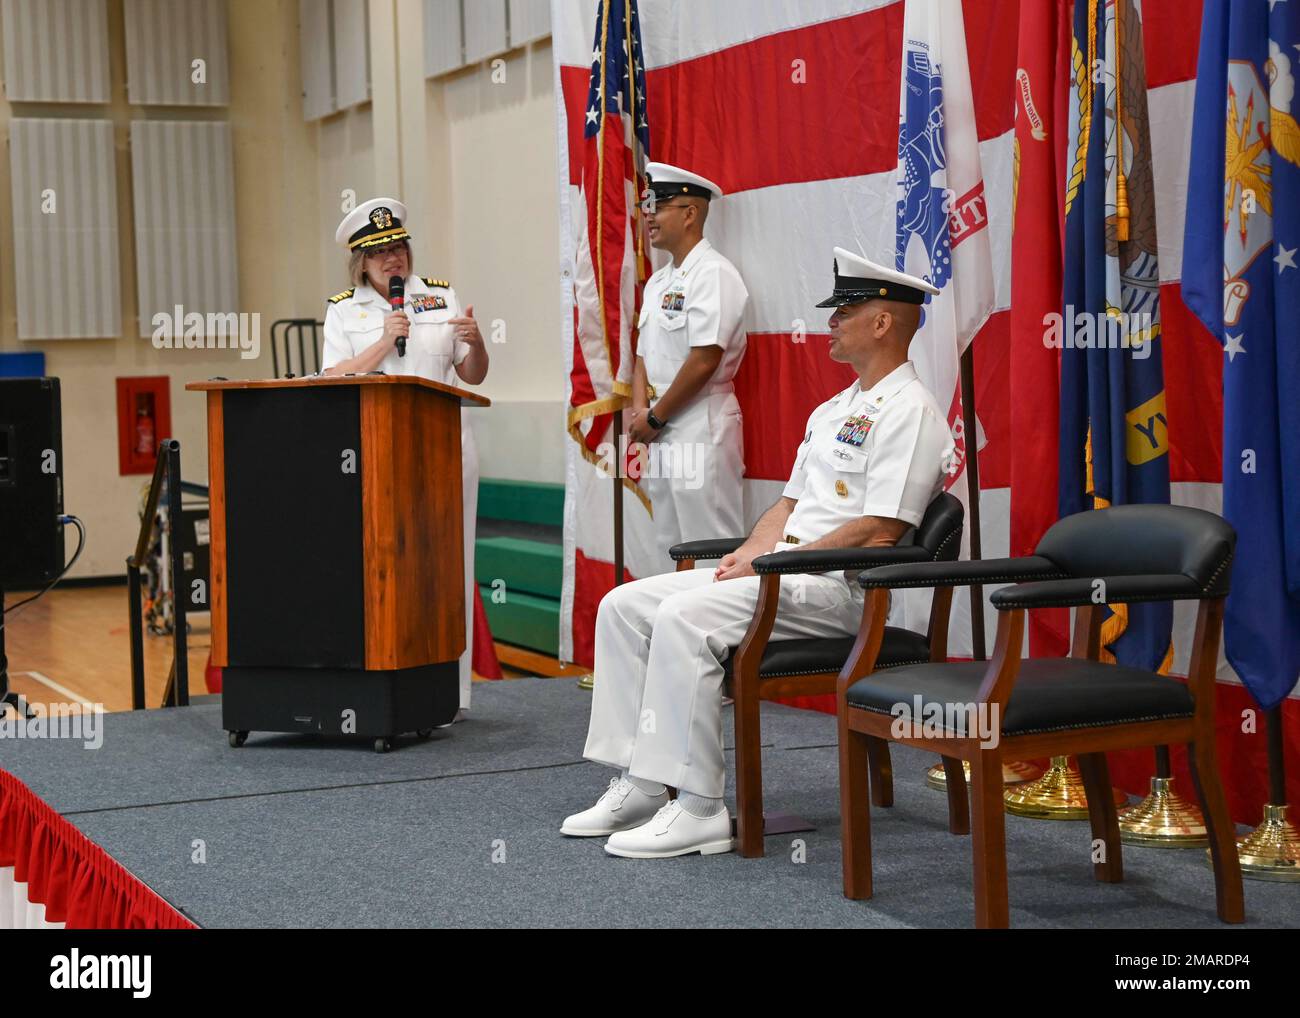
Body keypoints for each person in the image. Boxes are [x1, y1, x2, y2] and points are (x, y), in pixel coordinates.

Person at [562, 248, 954, 858]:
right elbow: (788, 506)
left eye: (844, 311)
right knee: (623, 606)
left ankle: (698, 808)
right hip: (784, 576)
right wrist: (749, 553)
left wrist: (780, 563)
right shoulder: (835, 409)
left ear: (883, 323)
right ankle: (641, 781)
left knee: (683, 619)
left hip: (839, 592)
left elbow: (879, 530)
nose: (831, 321)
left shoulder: (912, 412)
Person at [321, 198, 488, 718]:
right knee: (386, 568)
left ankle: (450, 695)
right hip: (376, 457)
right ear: (361, 263)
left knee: (450, 569)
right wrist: (381, 343)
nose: (392, 259)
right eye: (379, 253)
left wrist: (478, 343)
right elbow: (329, 378)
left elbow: (474, 375)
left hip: (445, 452)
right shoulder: (344, 309)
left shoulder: (440, 297)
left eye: (397, 248)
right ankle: (387, 684)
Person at [631, 162, 749, 567]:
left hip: (700, 421)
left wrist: (655, 417)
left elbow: (704, 359)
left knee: (709, 547)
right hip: (660, 425)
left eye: (659, 204)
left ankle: (721, 632)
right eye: (648, 204)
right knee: (669, 545)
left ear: (690, 213)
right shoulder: (658, 282)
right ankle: (674, 630)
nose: (648, 214)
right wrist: (639, 412)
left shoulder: (714, 274)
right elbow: (643, 356)